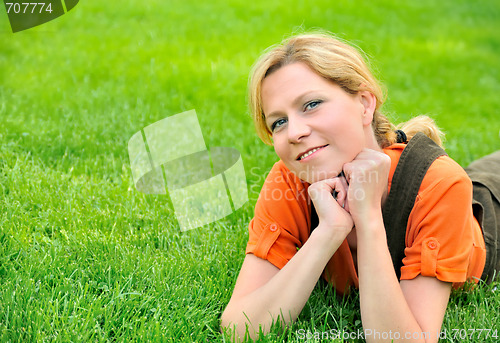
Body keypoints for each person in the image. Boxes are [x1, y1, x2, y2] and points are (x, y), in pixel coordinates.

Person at [220, 31, 494, 342]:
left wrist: (368, 218)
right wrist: (329, 231)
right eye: (278, 122)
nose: (294, 132)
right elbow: (239, 330)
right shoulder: (289, 179)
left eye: (311, 104)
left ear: (364, 104)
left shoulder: (442, 184)